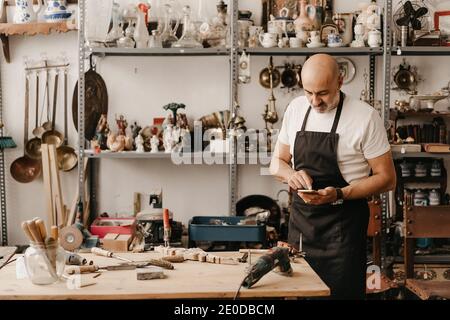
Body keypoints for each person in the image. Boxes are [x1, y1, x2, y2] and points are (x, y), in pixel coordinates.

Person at [269, 54, 396, 300]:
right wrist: (292, 175)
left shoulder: (365, 117)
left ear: (340, 81)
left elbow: (387, 178)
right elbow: (277, 164)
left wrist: (339, 193)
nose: (315, 101)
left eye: (323, 93)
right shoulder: (296, 109)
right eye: (308, 92)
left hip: (343, 230)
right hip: (302, 228)